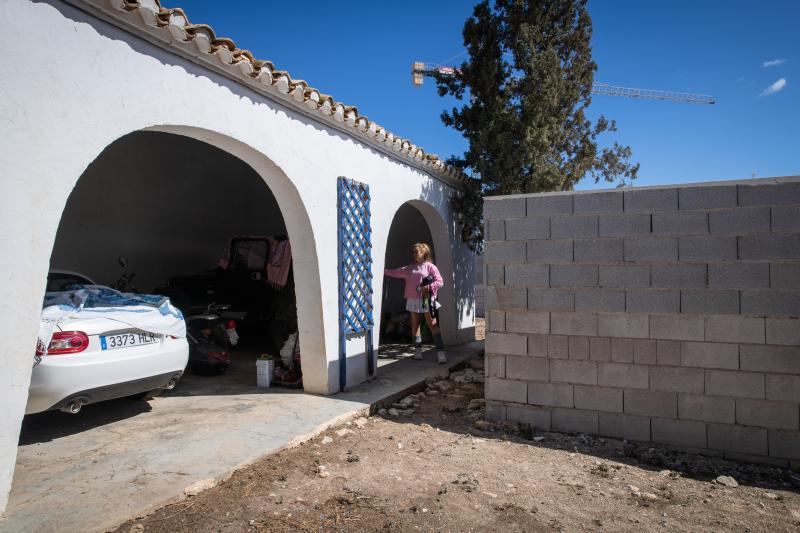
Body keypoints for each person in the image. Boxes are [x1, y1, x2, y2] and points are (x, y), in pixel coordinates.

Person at [384, 243, 446, 363]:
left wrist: (427, 288)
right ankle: (417, 351)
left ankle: (440, 352)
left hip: (427, 299)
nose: (414, 254)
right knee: (415, 325)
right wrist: (382, 270)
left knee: (433, 325)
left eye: (416, 252)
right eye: (413, 252)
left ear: (423, 253)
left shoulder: (430, 267)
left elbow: (440, 282)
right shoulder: (409, 268)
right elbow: (395, 272)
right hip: (412, 299)